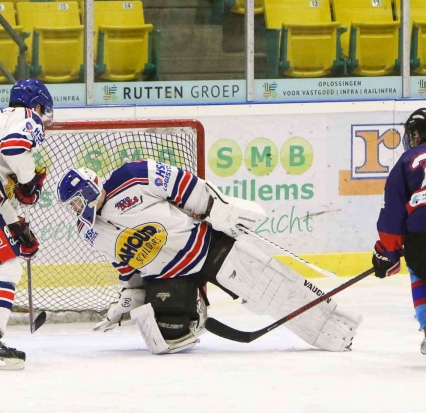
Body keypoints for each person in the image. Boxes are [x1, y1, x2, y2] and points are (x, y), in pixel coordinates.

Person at [56, 160, 362, 355]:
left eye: (76, 200)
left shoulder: (131, 176)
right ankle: (194, 311)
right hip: (168, 279)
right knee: (164, 341)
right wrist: (129, 292)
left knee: (275, 291)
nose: (75, 208)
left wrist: (217, 209)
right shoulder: (88, 229)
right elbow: (123, 261)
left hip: (207, 249)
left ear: (89, 187)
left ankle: (337, 327)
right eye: (71, 205)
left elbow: (183, 185)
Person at [371, 107, 426, 366]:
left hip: (424, 222)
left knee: (424, 272)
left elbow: (392, 215)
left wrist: (388, 253)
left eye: (413, 133)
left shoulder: (406, 161)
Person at [0, 79, 53, 370]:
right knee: (8, 267)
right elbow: (12, 148)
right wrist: (28, 179)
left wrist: (16, 228)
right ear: (36, 105)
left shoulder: (3, 118)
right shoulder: (27, 117)